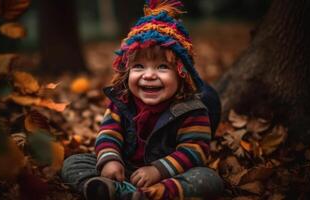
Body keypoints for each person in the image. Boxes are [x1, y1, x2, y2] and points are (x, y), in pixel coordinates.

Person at [61, 0, 224, 199]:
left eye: (162, 67)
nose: (148, 75)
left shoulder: (191, 110)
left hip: (169, 175)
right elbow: (108, 133)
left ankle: (156, 194)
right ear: (126, 71)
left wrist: (158, 171)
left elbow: (195, 150)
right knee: (74, 162)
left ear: (182, 74)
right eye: (139, 66)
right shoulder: (121, 102)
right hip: (124, 170)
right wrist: (110, 160)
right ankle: (106, 188)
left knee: (208, 179)